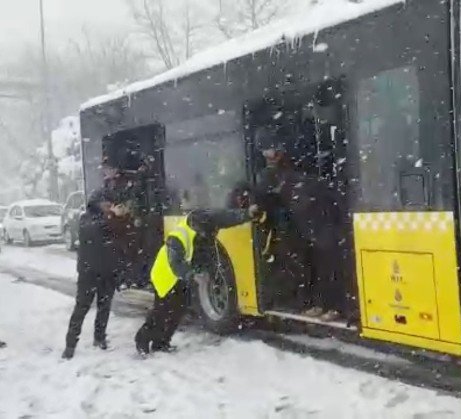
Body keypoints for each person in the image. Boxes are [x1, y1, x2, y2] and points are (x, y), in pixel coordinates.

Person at [134, 207, 259, 355]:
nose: (208, 234)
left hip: (182, 276)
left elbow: (226, 217)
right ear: (196, 226)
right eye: (205, 232)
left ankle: (161, 343)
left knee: (178, 311)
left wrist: (246, 214)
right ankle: (141, 340)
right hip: (166, 276)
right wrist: (193, 275)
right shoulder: (178, 237)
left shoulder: (206, 222)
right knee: (161, 312)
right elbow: (176, 265)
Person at [254, 126, 343, 321]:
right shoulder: (273, 174)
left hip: (318, 221)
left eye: (270, 150)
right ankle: (318, 303)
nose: (269, 155)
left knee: (326, 265)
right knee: (310, 266)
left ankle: (333, 305)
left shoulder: (298, 167)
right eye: (264, 152)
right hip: (302, 226)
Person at [62, 189, 127, 359]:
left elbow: (120, 240)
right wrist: (112, 216)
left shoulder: (110, 220)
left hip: (107, 273)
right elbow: (94, 230)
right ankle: (70, 345)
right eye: (107, 204)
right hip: (89, 274)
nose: (109, 207)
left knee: (104, 308)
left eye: (112, 204)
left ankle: (100, 338)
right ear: (98, 203)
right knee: (81, 308)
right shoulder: (87, 218)